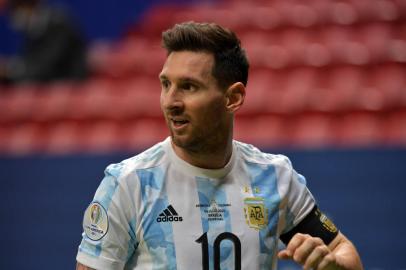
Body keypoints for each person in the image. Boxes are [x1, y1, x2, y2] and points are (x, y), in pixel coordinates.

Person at [76, 22, 363, 270]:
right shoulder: (128, 184)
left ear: (233, 98)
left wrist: (332, 264)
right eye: (166, 84)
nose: (170, 102)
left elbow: (343, 250)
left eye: (189, 86)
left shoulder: (276, 177)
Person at [0, 0, 87, 84]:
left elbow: (47, 65)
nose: (12, 16)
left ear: (28, 6)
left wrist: (10, 71)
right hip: (46, 85)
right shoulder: (32, 29)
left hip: (69, 86)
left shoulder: (58, 22)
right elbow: (29, 60)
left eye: (14, 9)